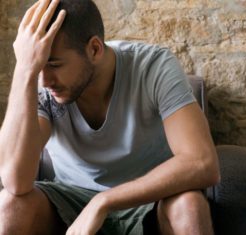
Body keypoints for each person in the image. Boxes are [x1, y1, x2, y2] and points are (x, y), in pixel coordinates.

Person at [0, 0, 220, 234]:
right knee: (9, 206)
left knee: (189, 206)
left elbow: (202, 162)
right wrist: (24, 69)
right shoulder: (38, 82)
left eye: (54, 64)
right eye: (37, 65)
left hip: (150, 201)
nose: (44, 80)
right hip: (69, 198)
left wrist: (104, 201)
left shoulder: (153, 67)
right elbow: (15, 181)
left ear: (94, 49)